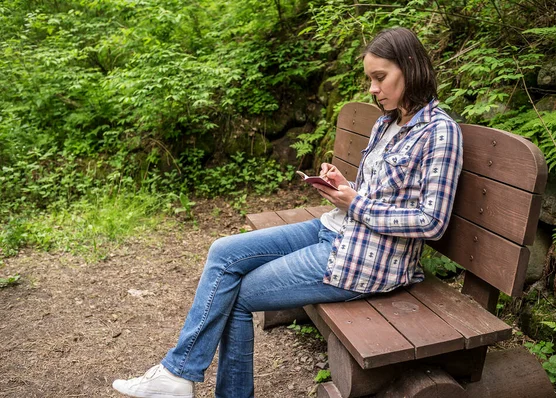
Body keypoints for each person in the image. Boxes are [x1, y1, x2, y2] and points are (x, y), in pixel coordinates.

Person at [112, 27, 463, 398]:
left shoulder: (440, 132)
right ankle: (177, 375)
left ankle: (180, 378)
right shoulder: (387, 123)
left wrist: (354, 203)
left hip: (366, 259)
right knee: (223, 251)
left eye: (380, 78)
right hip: (337, 229)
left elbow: (431, 221)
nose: (373, 89)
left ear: (411, 67)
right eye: (370, 79)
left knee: (235, 293)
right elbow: (382, 195)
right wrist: (345, 188)